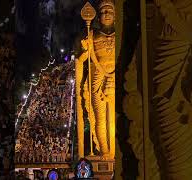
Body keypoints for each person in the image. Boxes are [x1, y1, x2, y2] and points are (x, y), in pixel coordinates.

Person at [76, 0, 115, 158]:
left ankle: (113, 151)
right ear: (98, 17)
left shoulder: (119, 36)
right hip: (97, 78)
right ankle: (104, 151)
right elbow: (81, 59)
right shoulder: (91, 35)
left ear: (115, 16)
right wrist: (85, 48)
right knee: (99, 118)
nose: (106, 14)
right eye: (103, 12)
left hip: (114, 78)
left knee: (113, 117)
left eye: (110, 11)